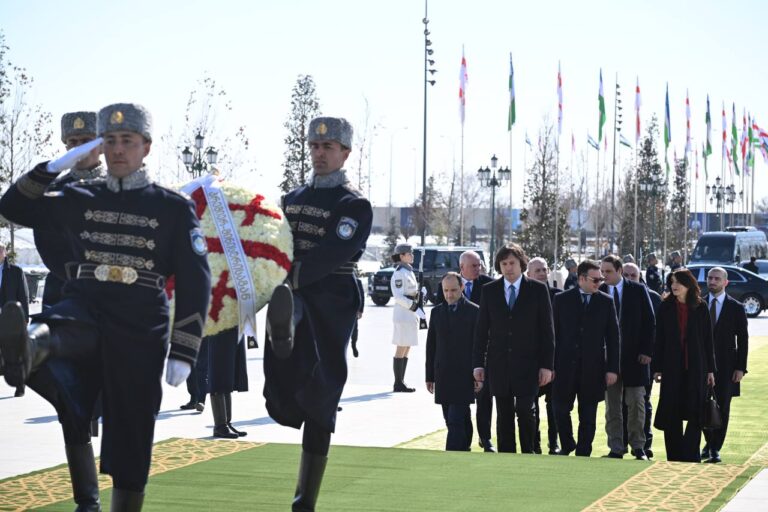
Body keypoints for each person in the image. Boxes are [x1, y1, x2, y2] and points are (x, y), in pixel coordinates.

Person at [0, 103, 211, 510]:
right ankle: (25, 347)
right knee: (61, 326)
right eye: (109, 141)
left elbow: (195, 279)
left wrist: (184, 348)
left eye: (126, 141)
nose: (117, 150)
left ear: (145, 146)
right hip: (86, 303)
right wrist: (49, 168)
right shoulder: (77, 196)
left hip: (140, 321)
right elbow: (12, 208)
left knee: (133, 428)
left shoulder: (171, 206)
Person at [262, 116, 372, 511]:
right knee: (288, 382)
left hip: (332, 299)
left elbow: (334, 253)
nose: (319, 153)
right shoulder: (291, 199)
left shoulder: (353, 203)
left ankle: (303, 500)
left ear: (345, 152)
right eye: (314, 146)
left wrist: (291, 277)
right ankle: (284, 330)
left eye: (328, 147)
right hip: (292, 293)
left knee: (323, 394)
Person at [23, 111, 105, 510]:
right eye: (71, 144)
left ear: (101, 143)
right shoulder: (53, 193)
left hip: (114, 302)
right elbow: (48, 244)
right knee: (71, 403)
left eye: (85, 142)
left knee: (119, 396)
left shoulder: (120, 187)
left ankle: (123, 490)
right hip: (67, 291)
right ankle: (86, 500)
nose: (77, 150)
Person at [473, 243, 554, 454]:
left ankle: (529, 452)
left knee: (526, 410)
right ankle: (506, 457)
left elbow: (547, 331)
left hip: (529, 365)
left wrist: (547, 366)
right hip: (499, 364)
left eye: (512, 263)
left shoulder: (537, 289)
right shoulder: (489, 291)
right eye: (504, 263)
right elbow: (481, 331)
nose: (508, 267)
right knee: (504, 413)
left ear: (521, 264)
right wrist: (477, 365)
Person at [552, 260, 620, 457]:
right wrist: (549, 364)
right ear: (581, 279)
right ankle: (567, 444)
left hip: (593, 368)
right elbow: (552, 335)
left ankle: (583, 452)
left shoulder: (606, 302)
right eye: (595, 279)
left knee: (588, 415)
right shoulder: (561, 300)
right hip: (564, 367)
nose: (600, 282)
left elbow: (614, 338)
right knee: (559, 409)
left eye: (601, 279)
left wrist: (612, 369)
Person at [652, 269, 716, 463]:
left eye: (678, 282)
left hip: (697, 368)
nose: (674, 285)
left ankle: (691, 454)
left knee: (696, 411)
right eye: (672, 281)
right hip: (672, 368)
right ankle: (674, 455)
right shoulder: (665, 307)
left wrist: (711, 370)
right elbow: (659, 339)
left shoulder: (700, 306)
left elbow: (708, 341)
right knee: (672, 411)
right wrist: (657, 367)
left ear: (689, 284)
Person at [436, 250, 495, 452]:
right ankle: (464, 445)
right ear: (462, 268)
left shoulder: (488, 287)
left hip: (474, 363)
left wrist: (481, 365)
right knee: (456, 417)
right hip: (447, 369)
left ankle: (483, 440)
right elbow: (435, 338)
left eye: (479, 265)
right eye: (473, 266)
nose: (478, 269)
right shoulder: (444, 295)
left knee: (477, 407)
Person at [600, 255, 655, 461]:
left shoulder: (638, 290)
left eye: (608, 272)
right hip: (609, 362)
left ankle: (638, 447)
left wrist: (647, 351)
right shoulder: (600, 291)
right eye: (602, 272)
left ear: (619, 270)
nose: (604, 276)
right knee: (612, 406)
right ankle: (616, 447)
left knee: (636, 403)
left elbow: (650, 322)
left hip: (635, 359)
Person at [426, 272, 480, 451]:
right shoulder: (436, 313)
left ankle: (451, 454)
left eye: (454, 290)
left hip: (465, 375)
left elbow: (479, 346)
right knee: (453, 419)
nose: (449, 295)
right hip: (443, 375)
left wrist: (479, 374)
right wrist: (430, 376)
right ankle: (464, 448)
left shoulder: (474, 311)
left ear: (462, 288)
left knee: (455, 419)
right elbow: (431, 346)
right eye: (446, 290)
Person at [701, 267, 749, 463]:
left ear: (725, 282)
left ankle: (715, 448)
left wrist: (740, 368)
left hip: (728, 368)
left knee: (722, 407)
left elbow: (743, 340)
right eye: (710, 278)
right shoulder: (699, 304)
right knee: (703, 406)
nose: (712, 281)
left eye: (717, 279)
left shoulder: (736, 307)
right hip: (702, 367)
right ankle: (708, 442)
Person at [623, 262, 661, 459]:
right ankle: (620, 443)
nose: (629, 278)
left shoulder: (653, 298)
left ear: (640, 277)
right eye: (626, 274)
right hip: (621, 362)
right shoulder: (614, 293)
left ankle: (644, 443)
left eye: (633, 275)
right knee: (621, 405)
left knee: (642, 403)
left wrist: (654, 360)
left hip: (645, 362)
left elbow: (657, 331)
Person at [526, 257, 561, 455]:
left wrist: (553, 364)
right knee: (531, 408)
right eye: (537, 270)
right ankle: (534, 443)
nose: (541, 273)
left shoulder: (559, 296)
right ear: (528, 274)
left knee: (554, 406)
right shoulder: (523, 296)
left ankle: (554, 443)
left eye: (544, 270)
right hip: (530, 362)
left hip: (554, 362)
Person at [389, 243, 423, 393]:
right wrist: (414, 306)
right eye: (409, 253)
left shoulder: (409, 271)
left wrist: (421, 294)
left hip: (410, 313)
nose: (412, 255)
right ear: (402, 256)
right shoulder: (399, 273)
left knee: (407, 346)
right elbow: (398, 296)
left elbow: (411, 291)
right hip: (403, 313)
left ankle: (401, 381)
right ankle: (398, 383)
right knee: (401, 346)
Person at [0, 242, 29, 398]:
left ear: (5, 253)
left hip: (11, 318)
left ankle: (20, 385)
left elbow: (23, 295)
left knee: (15, 352)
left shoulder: (16, 272)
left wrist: (24, 317)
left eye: (0, 250)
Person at [208, 328, 248, 439]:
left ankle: (226, 422)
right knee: (219, 371)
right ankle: (220, 425)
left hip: (234, 324)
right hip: (219, 322)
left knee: (229, 373)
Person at [350, 276, 365, 357]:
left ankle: (353, 345)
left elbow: (361, 296)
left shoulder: (357, 281)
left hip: (353, 310)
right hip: (342, 310)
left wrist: (360, 310)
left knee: (354, 331)